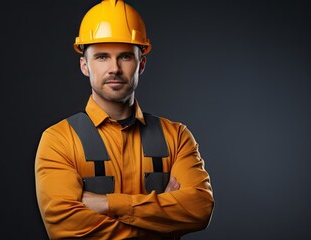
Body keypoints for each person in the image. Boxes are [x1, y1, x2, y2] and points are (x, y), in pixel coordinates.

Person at [34, 0, 214, 239]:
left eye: (126, 57)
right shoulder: (58, 140)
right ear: (84, 65)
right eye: (102, 57)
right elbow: (65, 227)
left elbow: (199, 209)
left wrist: (106, 204)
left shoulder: (177, 137)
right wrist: (161, 216)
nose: (115, 68)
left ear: (141, 64)